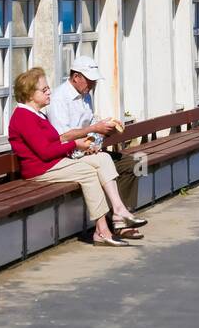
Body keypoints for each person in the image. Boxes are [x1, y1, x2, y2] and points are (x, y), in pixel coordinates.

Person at [8, 67, 147, 247]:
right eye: (44, 90)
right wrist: (75, 144)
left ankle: (119, 211)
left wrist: (81, 144)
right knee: (87, 172)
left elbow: (53, 141)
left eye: (47, 88)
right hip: (40, 169)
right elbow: (44, 152)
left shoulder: (37, 115)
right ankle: (102, 230)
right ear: (29, 94)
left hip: (54, 162)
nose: (49, 91)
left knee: (103, 159)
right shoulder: (23, 117)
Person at [47, 57, 139, 204]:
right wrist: (95, 128)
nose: (93, 84)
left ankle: (123, 215)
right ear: (76, 77)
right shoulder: (59, 98)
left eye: (94, 80)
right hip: (69, 157)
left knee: (132, 164)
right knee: (107, 166)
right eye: (90, 80)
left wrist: (105, 131)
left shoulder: (86, 95)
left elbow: (90, 126)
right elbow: (63, 136)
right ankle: (119, 218)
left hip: (86, 152)